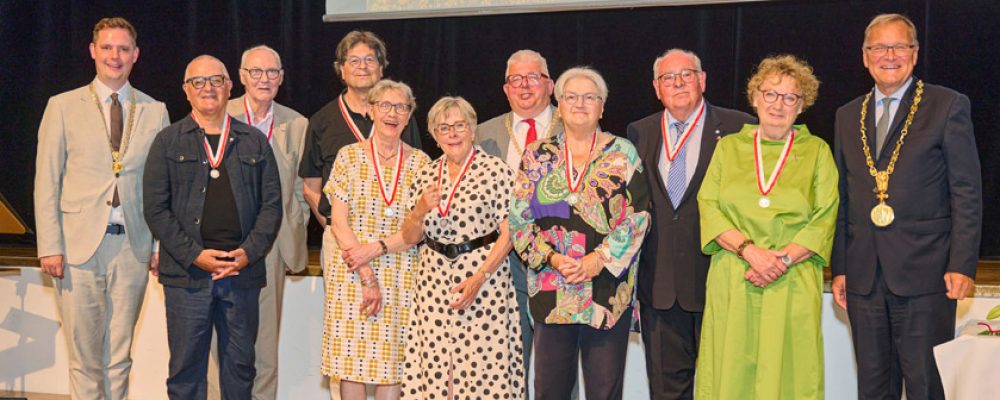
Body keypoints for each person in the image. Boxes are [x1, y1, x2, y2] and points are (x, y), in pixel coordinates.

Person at [831, 13, 981, 400]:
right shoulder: (847, 115)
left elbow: (966, 191)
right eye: (879, 47)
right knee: (873, 387)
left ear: (915, 54)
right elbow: (843, 198)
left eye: (899, 46)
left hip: (927, 275)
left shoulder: (947, 105)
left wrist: (961, 264)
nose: (889, 55)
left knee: (925, 385)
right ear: (865, 57)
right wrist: (841, 267)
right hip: (864, 277)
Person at [34, 17, 169, 400]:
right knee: (85, 358)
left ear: (136, 55)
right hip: (76, 249)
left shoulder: (155, 111)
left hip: (134, 246)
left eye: (124, 49)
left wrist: (159, 245)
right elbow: (47, 179)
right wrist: (50, 245)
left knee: (119, 356)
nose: (115, 56)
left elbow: (162, 187)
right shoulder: (61, 107)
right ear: (93, 51)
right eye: (107, 47)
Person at [694, 54, 836, 400]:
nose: (778, 104)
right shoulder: (728, 148)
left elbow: (825, 216)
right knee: (730, 370)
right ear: (755, 97)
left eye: (790, 97)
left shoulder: (817, 152)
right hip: (734, 274)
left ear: (802, 106)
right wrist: (750, 252)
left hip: (792, 279)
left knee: (790, 372)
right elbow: (708, 205)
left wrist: (780, 261)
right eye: (770, 94)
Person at [143, 55, 282, 399]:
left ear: (229, 86)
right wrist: (195, 255)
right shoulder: (167, 142)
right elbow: (156, 209)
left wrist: (248, 254)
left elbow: (272, 206)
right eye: (198, 82)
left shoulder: (254, 142)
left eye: (216, 81)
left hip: (241, 275)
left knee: (240, 370)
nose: (208, 89)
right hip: (187, 275)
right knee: (185, 372)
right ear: (186, 91)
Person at [509, 67, 650, 400]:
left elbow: (638, 217)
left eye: (590, 97)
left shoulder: (623, 153)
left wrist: (596, 260)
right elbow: (519, 221)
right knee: (549, 391)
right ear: (559, 105)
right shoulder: (537, 155)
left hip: (605, 294)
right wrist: (554, 258)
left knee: (604, 391)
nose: (580, 103)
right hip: (550, 291)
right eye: (571, 96)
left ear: (602, 107)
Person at [625, 48, 754, 400]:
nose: (678, 82)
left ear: (703, 79)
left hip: (721, 280)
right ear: (656, 87)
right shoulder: (639, 133)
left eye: (687, 74)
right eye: (669, 77)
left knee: (729, 389)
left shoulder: (740, 127)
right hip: (661, 290)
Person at [399, 96, 524, 399]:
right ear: (435, 135)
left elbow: (509, 232)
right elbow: (408, 236)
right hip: (433, 282)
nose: (453, 133)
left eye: (459, 126)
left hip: (484, 280)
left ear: (472, 129)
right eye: (444, 128)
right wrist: (419, 210)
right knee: (438, 367)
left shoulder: (497, 171)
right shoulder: (425, 174)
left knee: (482, 367)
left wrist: (480, 276)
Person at [207, 45, 310, 400]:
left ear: (281, 78)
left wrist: (295, 224)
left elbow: (300, 187)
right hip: (223, 246)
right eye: (256, 72)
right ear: (241, 77)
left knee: (264, 346)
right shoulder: (220, 114)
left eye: (271, 73)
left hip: (271, 247)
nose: (264, 79)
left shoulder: (297, 124)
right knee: (220, 341)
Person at [321, 79, 430, 400]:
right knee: (350, 364)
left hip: (402, 272)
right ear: (371, 111)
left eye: (401, 107)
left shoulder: (421, 163)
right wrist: (365, 269)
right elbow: (338, 221)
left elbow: (418, 229)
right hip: (352, 270)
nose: (392, 113)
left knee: (393, 365)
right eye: (384, 105)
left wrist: (379, 248)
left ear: (410, 116)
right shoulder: (348, 156)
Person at [476, 50, 563, 384]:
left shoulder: (574, 128)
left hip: (556, 261)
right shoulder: (482, 134)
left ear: (550, 85)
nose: (524, 86)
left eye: (533, 77)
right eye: (516, 79)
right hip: (502, 265)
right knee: (505, 366)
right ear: (505, 88)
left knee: (555, 368)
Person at [300, 30, 422, 228]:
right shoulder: (321, 121)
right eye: (354, 61)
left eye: (370, 60)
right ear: (341, 68)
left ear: (381, 68)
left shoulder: (401, 117)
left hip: (397, 236)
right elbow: (310, 187)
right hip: (341, 237)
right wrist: (334, 228)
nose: (363, 67)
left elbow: (420, 175)